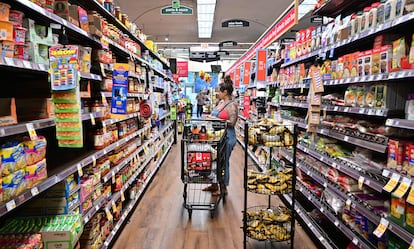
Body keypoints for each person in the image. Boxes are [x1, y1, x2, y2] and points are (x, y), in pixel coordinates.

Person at [203, 76, 238, 195]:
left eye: (219, 91)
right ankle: (214, 184)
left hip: (227, 137)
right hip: (217, 136)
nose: (217, 93)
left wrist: (214, 118)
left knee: (223, 162)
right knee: (214, 160)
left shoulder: (232, 105)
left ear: (225, 92)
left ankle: (223, 188)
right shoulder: (222, 102)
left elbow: (232, 123)